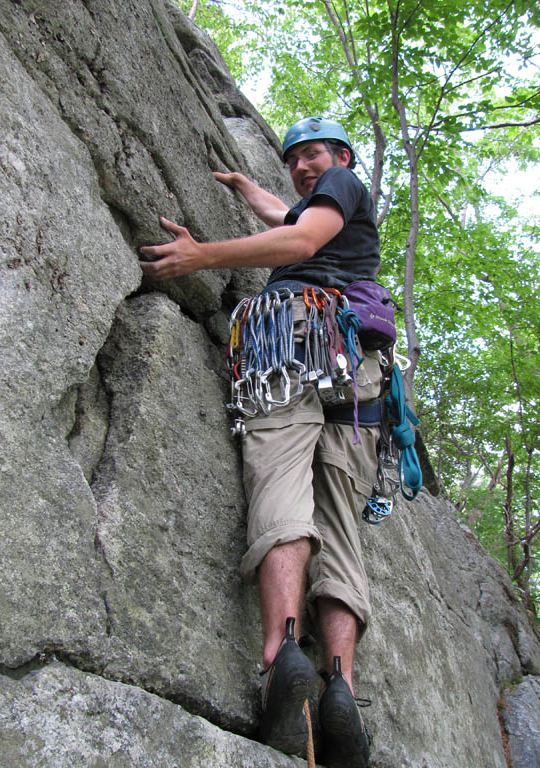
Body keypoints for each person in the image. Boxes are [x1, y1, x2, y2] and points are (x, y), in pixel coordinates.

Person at [140, 116, 381, 768]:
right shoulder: (333, 202)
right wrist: (248, 186)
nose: (303, 165)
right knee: (340, 518)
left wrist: (204, 255)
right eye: (294, 157)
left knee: (279, 480)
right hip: (360, 368)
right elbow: (290, 215)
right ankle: (342, 690)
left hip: (295, 334)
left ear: (343, 159)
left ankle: (283, 658)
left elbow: (299, 239)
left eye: (314, 155)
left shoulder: (339, 186)